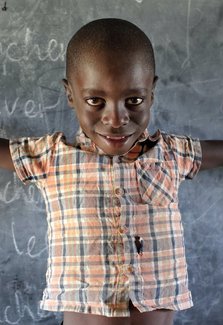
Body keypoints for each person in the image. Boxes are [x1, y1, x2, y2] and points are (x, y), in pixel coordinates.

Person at [0, 18, 222, 325]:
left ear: (152, 93)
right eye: (95, 100)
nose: (116, 118)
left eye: (134, 100)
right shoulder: (51, 158)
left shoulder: (171, 153)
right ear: (70, 95)